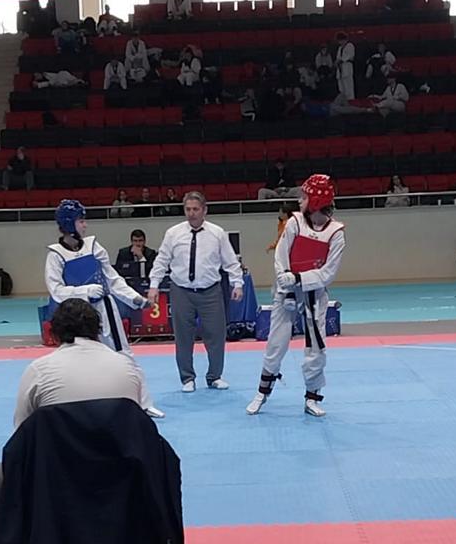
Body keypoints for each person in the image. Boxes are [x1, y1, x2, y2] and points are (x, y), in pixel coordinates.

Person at [0, 299, 152, 544]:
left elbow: (22, 434)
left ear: (54, 332)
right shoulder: (127, 367)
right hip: (121, 475)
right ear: (98, 330)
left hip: (56, 478)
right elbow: (135, 424)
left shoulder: (40, 369)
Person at [45, 199, 163, 417]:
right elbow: (56, 291)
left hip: (104, 310)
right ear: (69, 223)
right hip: (75, 314)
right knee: (77, 360)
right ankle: (80, 407)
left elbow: (113, 279)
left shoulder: (93, 246)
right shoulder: (55, 255)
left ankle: (143, 403)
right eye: (81, 221)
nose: (85, 225)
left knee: (123, 354)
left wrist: (135, 299)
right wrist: (85, 291)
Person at [246, 174, 345, 418]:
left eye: (305, 196)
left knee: (316, 348)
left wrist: (299, 278)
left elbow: (328, 273)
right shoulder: (295, 222)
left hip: (314, 293)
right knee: (276, 343)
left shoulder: (336, 233)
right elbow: (281, 255)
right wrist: (286, 279)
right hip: (287, 291)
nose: (300, 200)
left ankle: (312, 397)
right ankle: (262, 392)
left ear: (316, 200)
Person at [148, 191, 243, 391]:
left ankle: (215, 376)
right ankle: (187, 378)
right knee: (183, 336)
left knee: (216, 335)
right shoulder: (173, 233)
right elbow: (161, 260)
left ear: (204, 210)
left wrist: (237, 283)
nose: (191, 213)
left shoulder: (217, 233)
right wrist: (154, 285)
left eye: (195, 209)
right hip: (181, 290)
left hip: (211, 291)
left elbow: (230, 260)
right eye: (188, 209)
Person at [335, 32, 355, 101]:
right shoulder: (340, 48)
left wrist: (341, 60)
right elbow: (338, 58)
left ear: (344, 39)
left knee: (348, 87)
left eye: (341, 40)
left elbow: (350, 56)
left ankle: (350, 100)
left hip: (347, 68)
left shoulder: (350, 45)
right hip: (340, 69)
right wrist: (337, 62)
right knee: (341, 87)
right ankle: (343, 100)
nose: (340, 42)